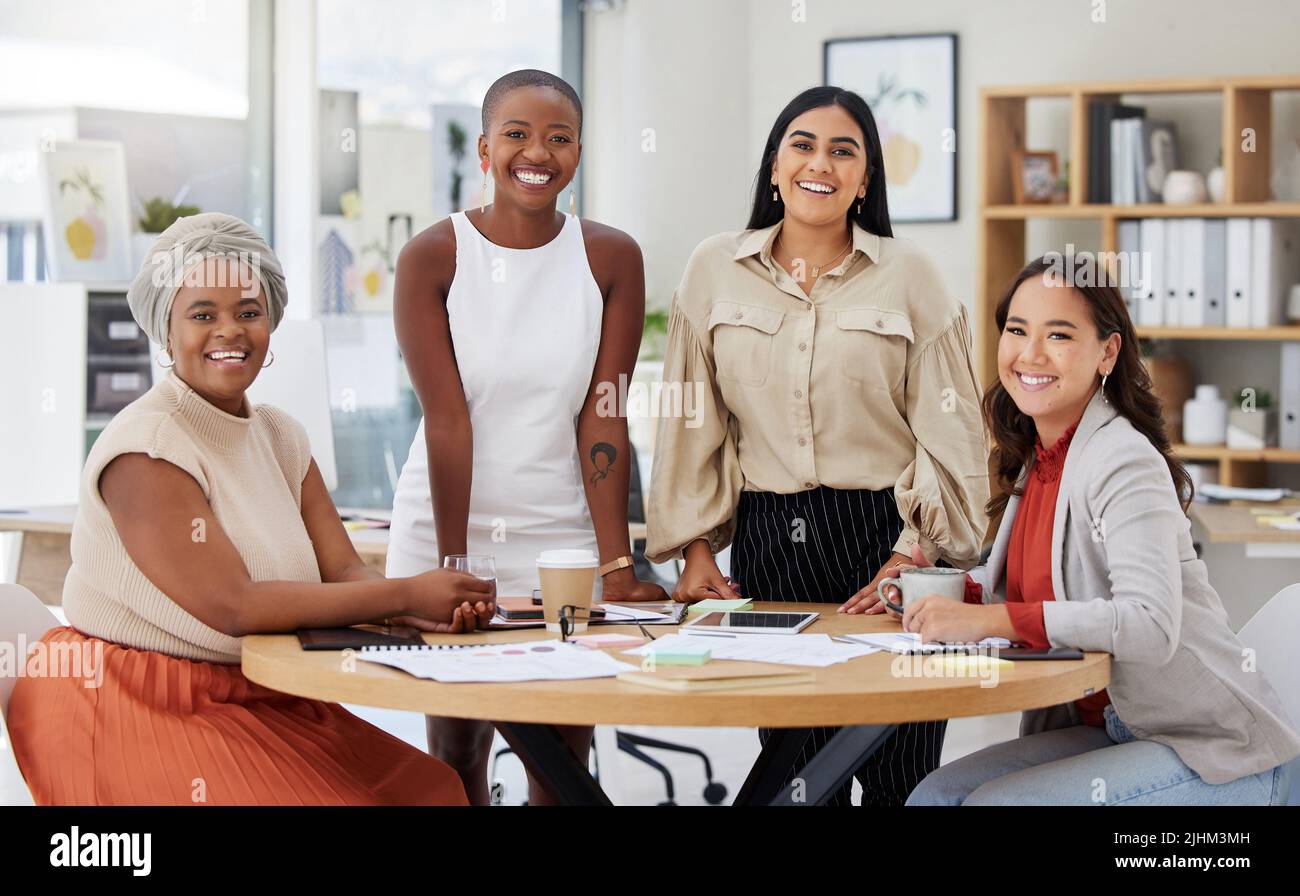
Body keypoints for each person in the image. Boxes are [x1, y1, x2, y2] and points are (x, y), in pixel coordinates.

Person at [7, 213, 487, 805]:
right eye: (202, 314)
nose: (229, 331)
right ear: (165, 328)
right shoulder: (147, 447)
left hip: (259, 691)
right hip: (137, 699)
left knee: (432, 790)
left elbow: (343, 570)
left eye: (248, 312)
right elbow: (233, 604)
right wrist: (405, 594)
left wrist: (409, 615)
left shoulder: (282, 437)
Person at [645, 86, 990, 806]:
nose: (820, 164)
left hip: (889, 544)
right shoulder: (713, 270)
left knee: (901, 777)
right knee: (798, 783)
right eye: (802, 145)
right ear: (774, 166)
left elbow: (954, 433)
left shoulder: (910, 276)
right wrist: (697, 549)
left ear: (865, 181)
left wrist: (912, 554)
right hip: (772, 546)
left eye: (844, 151)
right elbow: (688, 420)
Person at [901, 255, 1300, 805]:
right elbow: (1048, 589)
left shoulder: (1122, 459)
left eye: (1059, 335)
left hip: (1210, 754)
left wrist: (987, 619)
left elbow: (1148, 624)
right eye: (1017, 330)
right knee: (936, 797)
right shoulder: (1039, 456)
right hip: (1109, 729)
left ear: (1107, 352)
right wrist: (939, 593)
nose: (1030, 354)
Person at [386, 69, 668, 805]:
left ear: (579, 152)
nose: (536, 152)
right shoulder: (432, 257)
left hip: (559, 538)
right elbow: (448, 420)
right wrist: (450, 569)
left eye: (558, 137)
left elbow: (603, 414)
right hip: (446, 526)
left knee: (562, 755)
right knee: (457, 747)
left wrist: (615, 564)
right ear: (484, 148)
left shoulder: (611, 258)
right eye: (515, 134)